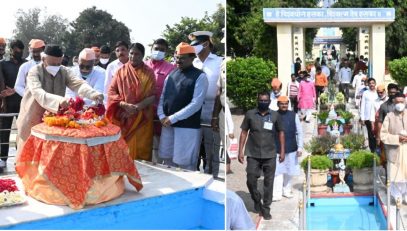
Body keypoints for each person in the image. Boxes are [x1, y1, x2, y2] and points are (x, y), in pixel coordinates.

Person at [16, 44, 104, 158]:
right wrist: (59, 101)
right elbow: (38, 93)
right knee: (28, 155)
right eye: (53, 64)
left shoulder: (64, 71)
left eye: (58, 63)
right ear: (43, 59)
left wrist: (94, 94)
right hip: (32, 117)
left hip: (54, 118)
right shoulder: (34, 72)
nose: (56, 67)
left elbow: (78, 84)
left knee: (49, 154)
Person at [157, 42, 208, 170]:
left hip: (187, 127)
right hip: (167, 124)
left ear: (192, 58)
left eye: (183, 58)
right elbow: (163, 97)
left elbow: (196, 104)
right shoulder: (171, 75)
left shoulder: (200, 76)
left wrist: (173, 118)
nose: (179, 61)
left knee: (185, 164)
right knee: (167, 160)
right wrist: (161, 115)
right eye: (177, 57)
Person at [238, 91, 285, 220]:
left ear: (269, 101)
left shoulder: (275, 115)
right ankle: (256, 198)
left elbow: (281, 133)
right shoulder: (250, 114)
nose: (263, 102)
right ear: (257, 101)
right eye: (261, 100)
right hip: (253, 153)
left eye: (266, 100)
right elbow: (243, 132)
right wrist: (240, 151)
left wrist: (282, 151)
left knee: (269, 183)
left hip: (270, 154)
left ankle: (266, 208)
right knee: (251, 179)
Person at [106, 43, 155, 161]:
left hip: (142, 118)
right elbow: (111, 92)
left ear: (143, 55)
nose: (133, 56)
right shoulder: (120, 71)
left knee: (142, 149)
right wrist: (124, 105)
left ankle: (142, 176)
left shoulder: (149, 73)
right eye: (132, 53)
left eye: (137, 54)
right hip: (123, 117)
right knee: (123, 151)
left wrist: (137, 107)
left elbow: (152, 96)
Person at [189, 31, 222, 178]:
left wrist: (215, 115)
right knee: (193, 148)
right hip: (192, 110)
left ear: (206, 44)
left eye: (195, 44)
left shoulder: (219, 62)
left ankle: (212, 177)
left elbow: (221, 89)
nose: (192, 47)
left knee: (212, 149)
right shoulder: (192, 62)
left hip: (211, 110)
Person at [145, 38, 175, 164]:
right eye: (156, 49)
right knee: (144, 146)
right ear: (151, 49)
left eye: (162, 50)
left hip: (160, 114)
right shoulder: (143, 65)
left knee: (158, 149)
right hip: (143, 113)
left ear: (166, 52)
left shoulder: (171, 68)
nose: (158, 51)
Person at [0, 40, 26, 168]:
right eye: (16, 50)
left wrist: (15, 90)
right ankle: (3, 159)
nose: (18, 53)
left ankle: (21, 158)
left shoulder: (27, 64)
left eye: (21, 50)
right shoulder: (3, 64)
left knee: (22, 132)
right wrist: (3, 93)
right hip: (7, 104)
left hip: (23, 103)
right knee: (5, 132)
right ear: (11, 50)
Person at [273, 96, 303, 201]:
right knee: (277, 172)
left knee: (289, 171)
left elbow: (299, 132)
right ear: (278, 104)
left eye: (286, 103)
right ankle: (276, 194)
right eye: (282, 103)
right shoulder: (273, 115)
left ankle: (286, 190)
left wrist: (300, 147)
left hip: (291, 147)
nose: (284, 105)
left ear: (288, 104)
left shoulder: (293, 115)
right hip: (277, 148)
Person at [380, 92, 407, 203]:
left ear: (405, 102)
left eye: (402, 102)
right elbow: (383, 135)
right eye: (397, 102)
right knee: (395, 175)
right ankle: (396, 195)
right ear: (394, 103)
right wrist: (397, 138)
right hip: (394, 150)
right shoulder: (389, 116)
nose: (400, 104)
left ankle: (405, 195)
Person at [360, 78, 378, 152]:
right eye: (370, 83)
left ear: (375, 84)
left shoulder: (378, 93)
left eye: (373, 83)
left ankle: (377, 149)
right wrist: (362, 118)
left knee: (377, 134)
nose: (371, 84)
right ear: (368, 84)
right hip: (368, 117)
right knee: (370, 134)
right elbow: (363, 105)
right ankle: (372, 150)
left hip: (376, 117)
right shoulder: (365, 93)